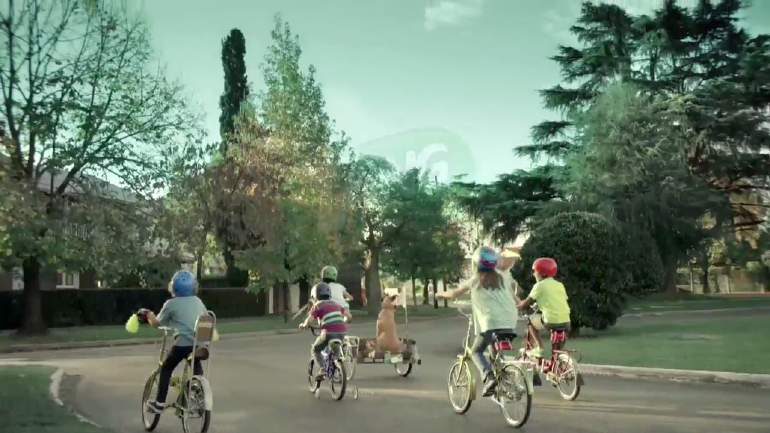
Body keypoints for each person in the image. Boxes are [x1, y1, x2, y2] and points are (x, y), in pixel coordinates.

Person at [437, 246, 519, 396]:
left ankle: (489, 377)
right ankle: (504, 377)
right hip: (510, 321)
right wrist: (522, 305)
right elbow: (515, 298)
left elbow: (455, 293)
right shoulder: (502, 278)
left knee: (476, 351)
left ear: (477, 263)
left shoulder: (475, 280)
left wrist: (441, 294)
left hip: (491, 323)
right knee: (495, 348)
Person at [140, 270, 210, 414]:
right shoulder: (198, 301)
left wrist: (149, 316)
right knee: (195, 363)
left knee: (166, 368)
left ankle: (159, 403)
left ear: (173, 287)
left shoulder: (171, 304)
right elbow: (205, 317)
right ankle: (198, 392)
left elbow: (157, 323)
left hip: (182, 343)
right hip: (199, 343)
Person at [515, 258, 571, 361]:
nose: (534, 274)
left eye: (535, 272)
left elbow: (525, 303)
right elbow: (556, 301)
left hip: (551, 321)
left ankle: (540, 347)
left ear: (542, 273)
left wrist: (517, 305)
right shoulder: (560, 285)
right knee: (557, 349)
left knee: (530, 321)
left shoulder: (539, 286)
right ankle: (558, 360)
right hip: (566, 321)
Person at [300, 282, 349, 380]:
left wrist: (304, 325)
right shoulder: (336, 304)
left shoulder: (318, 305)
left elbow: (309, 320)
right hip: (342, 331)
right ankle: (337, 365)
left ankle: (322, 369)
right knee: (335, 351)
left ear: (315, 295)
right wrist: (343, 322)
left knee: (315, 349)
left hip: (328, 332)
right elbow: (348, 316)